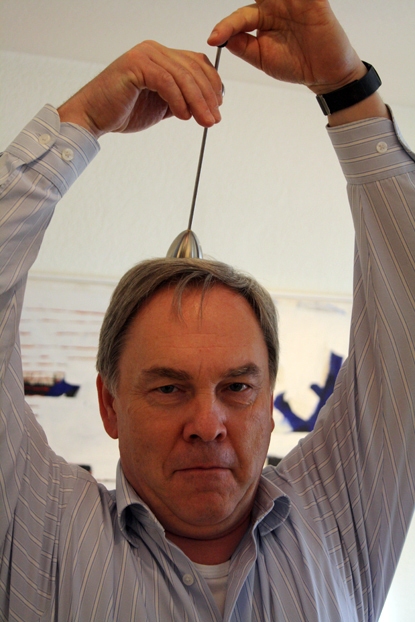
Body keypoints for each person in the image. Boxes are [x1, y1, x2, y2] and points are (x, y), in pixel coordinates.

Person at [1, 0, 415, 620]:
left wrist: (347, 87)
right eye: (169, 387)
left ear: (269, 403)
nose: (207, 423)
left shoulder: (336, 516)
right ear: (110, 404)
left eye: (238, 387)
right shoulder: (36, 526)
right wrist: (81, 119)